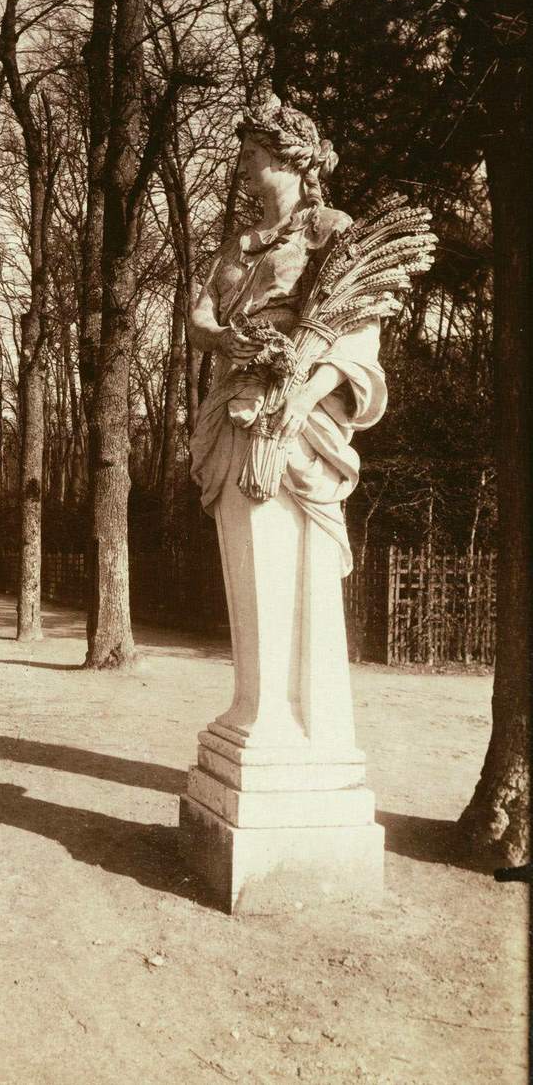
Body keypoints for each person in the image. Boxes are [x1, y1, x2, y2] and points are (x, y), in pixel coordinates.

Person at [187, 97, 386, 752]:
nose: (243, 167)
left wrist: (304, 394)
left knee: (287, 568)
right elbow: (198, 318)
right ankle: (253, 707)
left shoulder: (329, 228)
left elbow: (356, 326)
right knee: (243, 569)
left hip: (292, 413)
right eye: (242, 156)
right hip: (236, 403)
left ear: (292, 160)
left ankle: (292, 720)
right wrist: (224, 343)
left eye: (253, 156)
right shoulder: (238, 244)